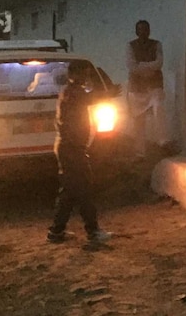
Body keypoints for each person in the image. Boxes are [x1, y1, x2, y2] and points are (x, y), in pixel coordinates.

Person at [47, 60, 112, 243]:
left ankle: (57, 231)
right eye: (84, 74)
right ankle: (92, 231)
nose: (86, 78)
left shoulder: (70, 91)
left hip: (68, 148)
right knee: (83, 189)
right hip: (72, 149)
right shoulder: (74, 92)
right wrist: (108, 91)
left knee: (69, 190)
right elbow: (94, 97)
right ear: (74, 74)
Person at [126, 20, 170, 158]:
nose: (143, 32)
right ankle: (140, 152)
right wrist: (149, 68)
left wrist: (141, 67)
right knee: (138, 121)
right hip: (137, 87)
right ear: (136, 31)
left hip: (154, 86)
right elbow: (131, 65)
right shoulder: (130, 46)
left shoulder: (157, 44)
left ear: (149, 30)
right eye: (141, 29)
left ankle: (163, 141)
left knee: (159, 108)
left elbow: (159, 63)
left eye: (146, 29)